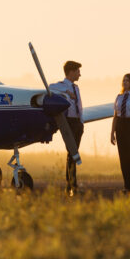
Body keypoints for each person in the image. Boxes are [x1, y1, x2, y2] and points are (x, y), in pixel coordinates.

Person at [49, 60, 83, 196]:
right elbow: (50, 87)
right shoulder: (61, 86)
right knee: (72, 154)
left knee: (73, 154)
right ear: (71, 72)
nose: (80, 74)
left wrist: (81, 122)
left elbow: (79, 106)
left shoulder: (77, 88)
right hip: (68, 122)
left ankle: (71, 185)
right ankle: (72, 186)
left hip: (77, 123)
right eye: (78, 71)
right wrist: (67, 91)